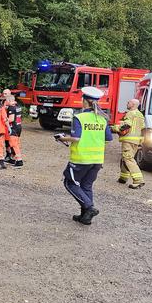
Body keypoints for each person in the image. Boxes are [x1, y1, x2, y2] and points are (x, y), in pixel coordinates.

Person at [55, 87, 112, 225]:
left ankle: (89, 207)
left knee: (69, 183)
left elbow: (76, 138)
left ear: (84, 101)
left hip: (81, 158)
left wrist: (62, 138)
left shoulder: (79, 117)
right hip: (97, 159)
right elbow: (109, 139)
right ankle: (85, 216)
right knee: (86, 186)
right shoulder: (102, 119)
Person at [112, 99, 145, 189]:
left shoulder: (130, 113)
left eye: (129, 102)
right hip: (136, 140)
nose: (127, 103)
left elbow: (127, 125)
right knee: (125, 158)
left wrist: (115, 129)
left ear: (133, 104)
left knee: (128, 159)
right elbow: (142, 127)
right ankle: (123, 178)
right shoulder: (140, 114)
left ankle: (138, 180)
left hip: (128, 140)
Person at [4, 95, 24, 168]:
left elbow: (11, 119)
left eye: (6, 101)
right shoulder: (17, 106)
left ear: (9, 101)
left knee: (13, 144)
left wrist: (4, 120)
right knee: (16, 143)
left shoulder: (11, 108)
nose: (5, 102)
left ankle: (19, 161)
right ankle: (15, 159)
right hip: (19, 127)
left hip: (14, 128)